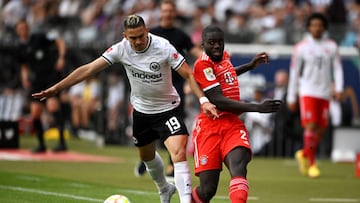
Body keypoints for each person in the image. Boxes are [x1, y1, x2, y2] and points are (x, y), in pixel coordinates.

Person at [32, 15, 218, 203]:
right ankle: (164, 189)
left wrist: (203, 100)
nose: (137, 41)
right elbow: (88, 69)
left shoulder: (163, 47)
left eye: (140, 36)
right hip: (141, 113)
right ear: (125, 36)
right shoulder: (121, 49)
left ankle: (185, 200)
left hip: (168, 109)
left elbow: (189, 74)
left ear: (146, 31)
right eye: (132, 38)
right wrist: (57, 88)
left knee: (177, 152)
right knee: (147, 156)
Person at [191, 25, 282, 203]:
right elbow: (218, 100)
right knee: (207, 190)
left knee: (239, 168)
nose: (217, 46)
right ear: (203, 45)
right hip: (210, 126)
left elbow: (227, 75)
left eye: (220, 42)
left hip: (232, 124)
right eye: (211, 43)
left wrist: (249, 65)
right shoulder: (202, 64)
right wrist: (257, 107)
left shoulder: (225, 57)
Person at [134, 0, 203, 178]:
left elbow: (194, 50)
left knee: (175, 125)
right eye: (165, 11)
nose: (167, 14)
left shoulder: (180, 35)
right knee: (150, 126)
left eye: (170, 11)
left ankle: (173, 165)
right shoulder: (152, 34)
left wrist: (212, 56)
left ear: (174, 13)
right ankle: (146, 159)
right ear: (161, 13)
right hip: (153, 86)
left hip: (176, 87)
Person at [287, 13, 344, 178]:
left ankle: (304, 153)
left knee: (321, 128)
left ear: (324, 27)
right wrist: (292, 96)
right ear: (308, 27)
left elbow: (338, 68)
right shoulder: (302, 47)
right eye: (314, 25)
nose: (317, 28)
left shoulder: (332, 46)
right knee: (311, 125)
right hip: (308, 91)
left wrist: (338, 88)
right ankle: (312, 163)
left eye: (320, 25)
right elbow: (295, 72)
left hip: (325, 92)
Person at [16, 19, 68, 153]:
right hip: (36, 80)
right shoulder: (21, 47)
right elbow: (24, 66)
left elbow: (59, 41)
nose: (23, 30)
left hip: (50, 77)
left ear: (28, 28)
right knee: (35, 112)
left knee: (53, 106)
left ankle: (62, 142)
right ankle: (41, 144)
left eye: (24, 27)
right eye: (20, 28)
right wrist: (25, 78)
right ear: (17, 31)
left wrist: (61, 57)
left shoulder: (38, 38)